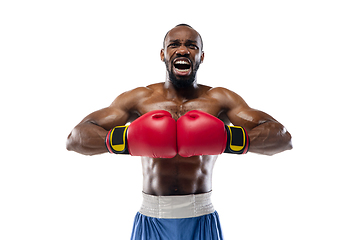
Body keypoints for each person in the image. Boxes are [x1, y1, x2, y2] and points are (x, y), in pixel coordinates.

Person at [66, 24, 292, 240]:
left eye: (192, 46)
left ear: (201, 57)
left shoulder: (220, 99)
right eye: (174, 44)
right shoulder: (139, 99)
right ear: (163, 54)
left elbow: (282, 138)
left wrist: (227, 139)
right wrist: (124, 140)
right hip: (152, 219)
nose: (183, 49)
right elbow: (75, 138)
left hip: (201, 218)